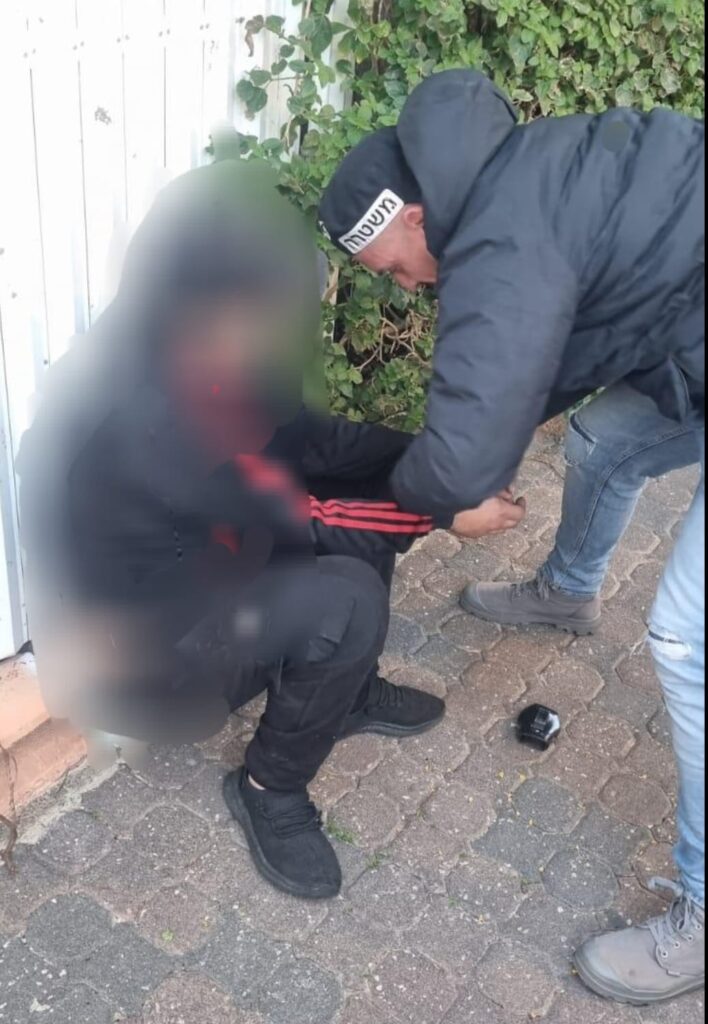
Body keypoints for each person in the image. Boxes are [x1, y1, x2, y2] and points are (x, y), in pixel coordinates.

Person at [15, 159, 518, 901]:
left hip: (211, 558)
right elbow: (283, 517)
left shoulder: (223, 349)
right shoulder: (128, 426)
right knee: (346, 596)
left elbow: (309, 440)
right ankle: (269, 787)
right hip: (154, 648)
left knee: (374, 495)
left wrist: (437, 465)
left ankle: (345, 693)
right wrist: (443, 510)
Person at [318, 68, 704, 1003]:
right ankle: (568, 593)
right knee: (605, 440)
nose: (409, 288)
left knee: (686, 635)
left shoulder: (499, 235)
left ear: (413, 216)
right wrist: (485, 451)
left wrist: (447, 498)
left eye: (393, 269)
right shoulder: (520, 178)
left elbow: (455, 460)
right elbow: (558, 352)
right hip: (689, 337)